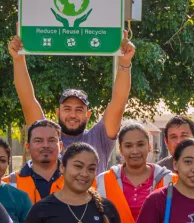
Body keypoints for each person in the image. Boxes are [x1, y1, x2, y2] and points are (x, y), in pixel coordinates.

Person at [7, 34, 136, 172]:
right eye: (67, 109)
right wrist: (18, 59)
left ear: (88, 114)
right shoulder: (48, 137)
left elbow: (118, 102)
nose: (72, 114)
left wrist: (125, 62)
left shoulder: (99, 137)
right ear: (58, 112)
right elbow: (28, 100)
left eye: (79, 109)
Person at [96, 122, 176, 223]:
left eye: (140, 144)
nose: (134, 151)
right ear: (120, 149)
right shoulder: (102, 181)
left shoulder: (171, 181)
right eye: (128, 145)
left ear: (149, 146)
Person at [6, 119, 65, 203]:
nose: (45, 145)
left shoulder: (77, 180)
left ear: (61, 145)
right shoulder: (9, 183)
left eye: (51, 140)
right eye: (38, 141)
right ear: (27, 147)